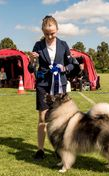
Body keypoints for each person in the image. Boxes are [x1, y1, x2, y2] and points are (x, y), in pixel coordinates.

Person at [28, 15, 75, 160]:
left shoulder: (64, 45)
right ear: (42, 31)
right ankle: (40, 150)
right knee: (42, 118)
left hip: (59, 85)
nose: (49, 36)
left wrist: (64, 68)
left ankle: (59, 148)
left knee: (59, 119)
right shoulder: (38, 45)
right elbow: (31, 69)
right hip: (43, 85)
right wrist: (32, 60)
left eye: (52, 33)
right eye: (46, 33)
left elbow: (72, 64)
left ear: (57, 30)